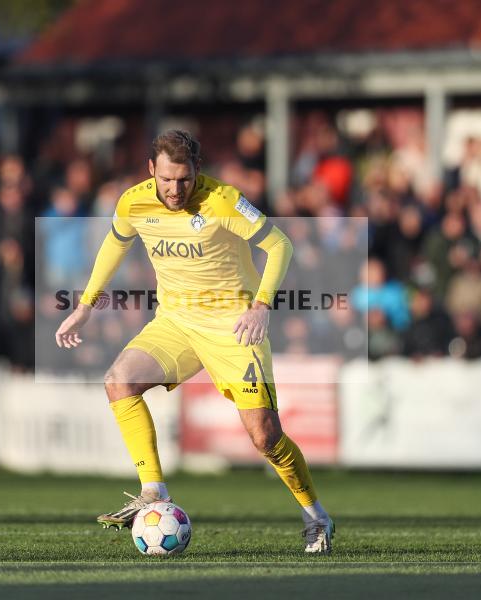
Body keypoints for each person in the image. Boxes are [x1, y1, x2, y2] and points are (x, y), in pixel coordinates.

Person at [55, 130, 334, 554]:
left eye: (183, 180)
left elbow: (280, 244)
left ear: (197, 172)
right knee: (119, 380)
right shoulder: (133, 202)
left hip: (233, 327)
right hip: (176, 323)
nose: (174, 189)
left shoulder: (224, 200)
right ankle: (153, 490)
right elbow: (114, 245)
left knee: (264, 436)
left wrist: (260, 305)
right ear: (151, 171)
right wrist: (86, 305)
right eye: (166, 179)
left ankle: (315, 515)